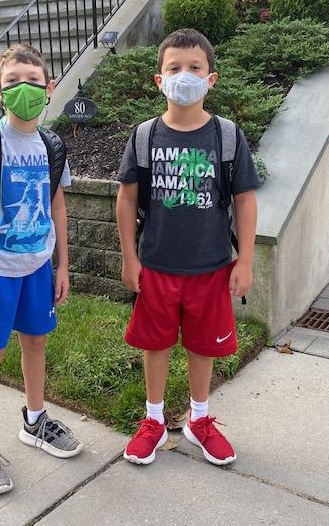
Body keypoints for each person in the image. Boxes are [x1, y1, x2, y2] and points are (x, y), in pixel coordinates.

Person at [116, 28, 259, 467]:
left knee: (203, 346)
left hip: (211, 267)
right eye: (174, 68)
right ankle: (154, 421)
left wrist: (246, 261)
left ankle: (200, 420)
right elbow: (126, 198)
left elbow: (245, 201)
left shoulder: (227, 136)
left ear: (210, 79)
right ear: (159, 79)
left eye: (194, 68)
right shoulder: (144, 136)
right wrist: (129, 257)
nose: (184, 75)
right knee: (156, 343)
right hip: (157, 265)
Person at [0, 44, 83, 495]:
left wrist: (62, 264)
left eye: (32, 80)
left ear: (49, 89)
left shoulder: (51, 145)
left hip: (37, 270)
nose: (23, 89)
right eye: (13, 82)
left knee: (35, 344)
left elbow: (57, 207)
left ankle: (34, 419)